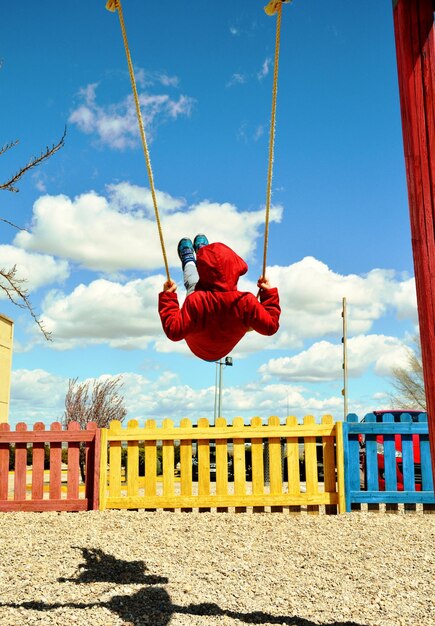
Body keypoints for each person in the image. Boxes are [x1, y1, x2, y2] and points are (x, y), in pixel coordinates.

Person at [158, 234, 280, 361]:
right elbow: (271, 326)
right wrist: (268, 294)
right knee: (194, 283)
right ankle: (202, 254)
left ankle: (193, 259)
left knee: (193, 283)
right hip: (222, 348)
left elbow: (173, 331)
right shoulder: (246, 302)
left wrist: (168, 297)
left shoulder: (195, 300)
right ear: (236, 269)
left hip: (197, 345)